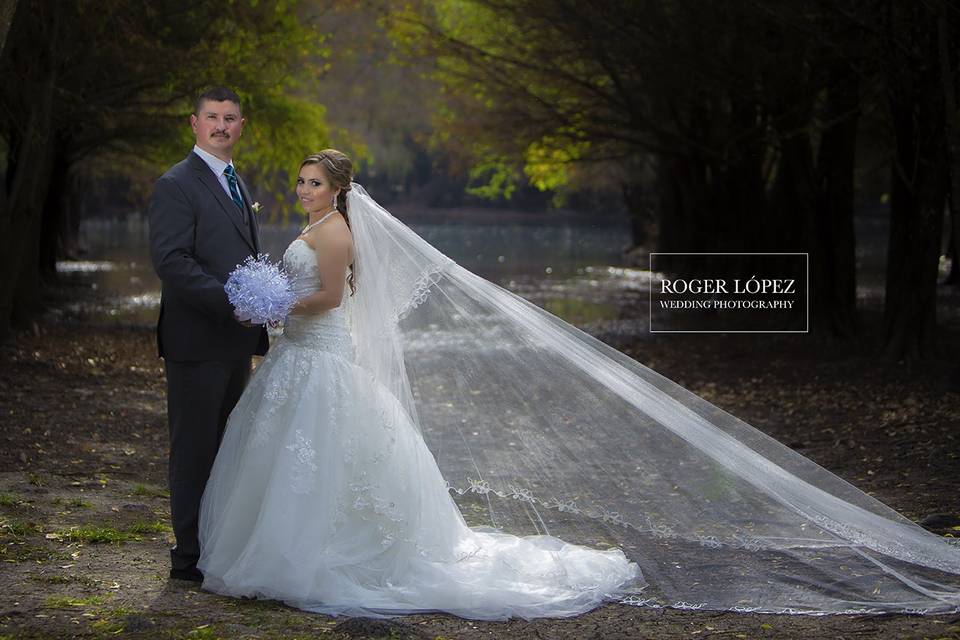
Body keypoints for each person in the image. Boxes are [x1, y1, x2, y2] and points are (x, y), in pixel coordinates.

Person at [199, 149, 960, 619]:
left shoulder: (333, 232)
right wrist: (264, 303)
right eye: (299, 181)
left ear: (339, 188)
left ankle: (328, 553)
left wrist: (272, 303)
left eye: (314, 182)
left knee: (327, 458)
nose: (303, 190)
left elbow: (333, 298)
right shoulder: (308, 229)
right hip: (301, 358)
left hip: (319, 351)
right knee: (295, 458)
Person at [148, 86, 268, 583]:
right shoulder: (176, 184)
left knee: (226, 447)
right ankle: (188, 559)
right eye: (213, 117)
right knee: (195, 449)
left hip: (235, 342)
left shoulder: (237, 182)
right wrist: (233, 302)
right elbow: (172, 261)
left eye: (231, 118)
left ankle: (215, 545)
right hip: (196, 341)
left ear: (241, 126)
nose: (222, 125)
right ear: (194, 123)